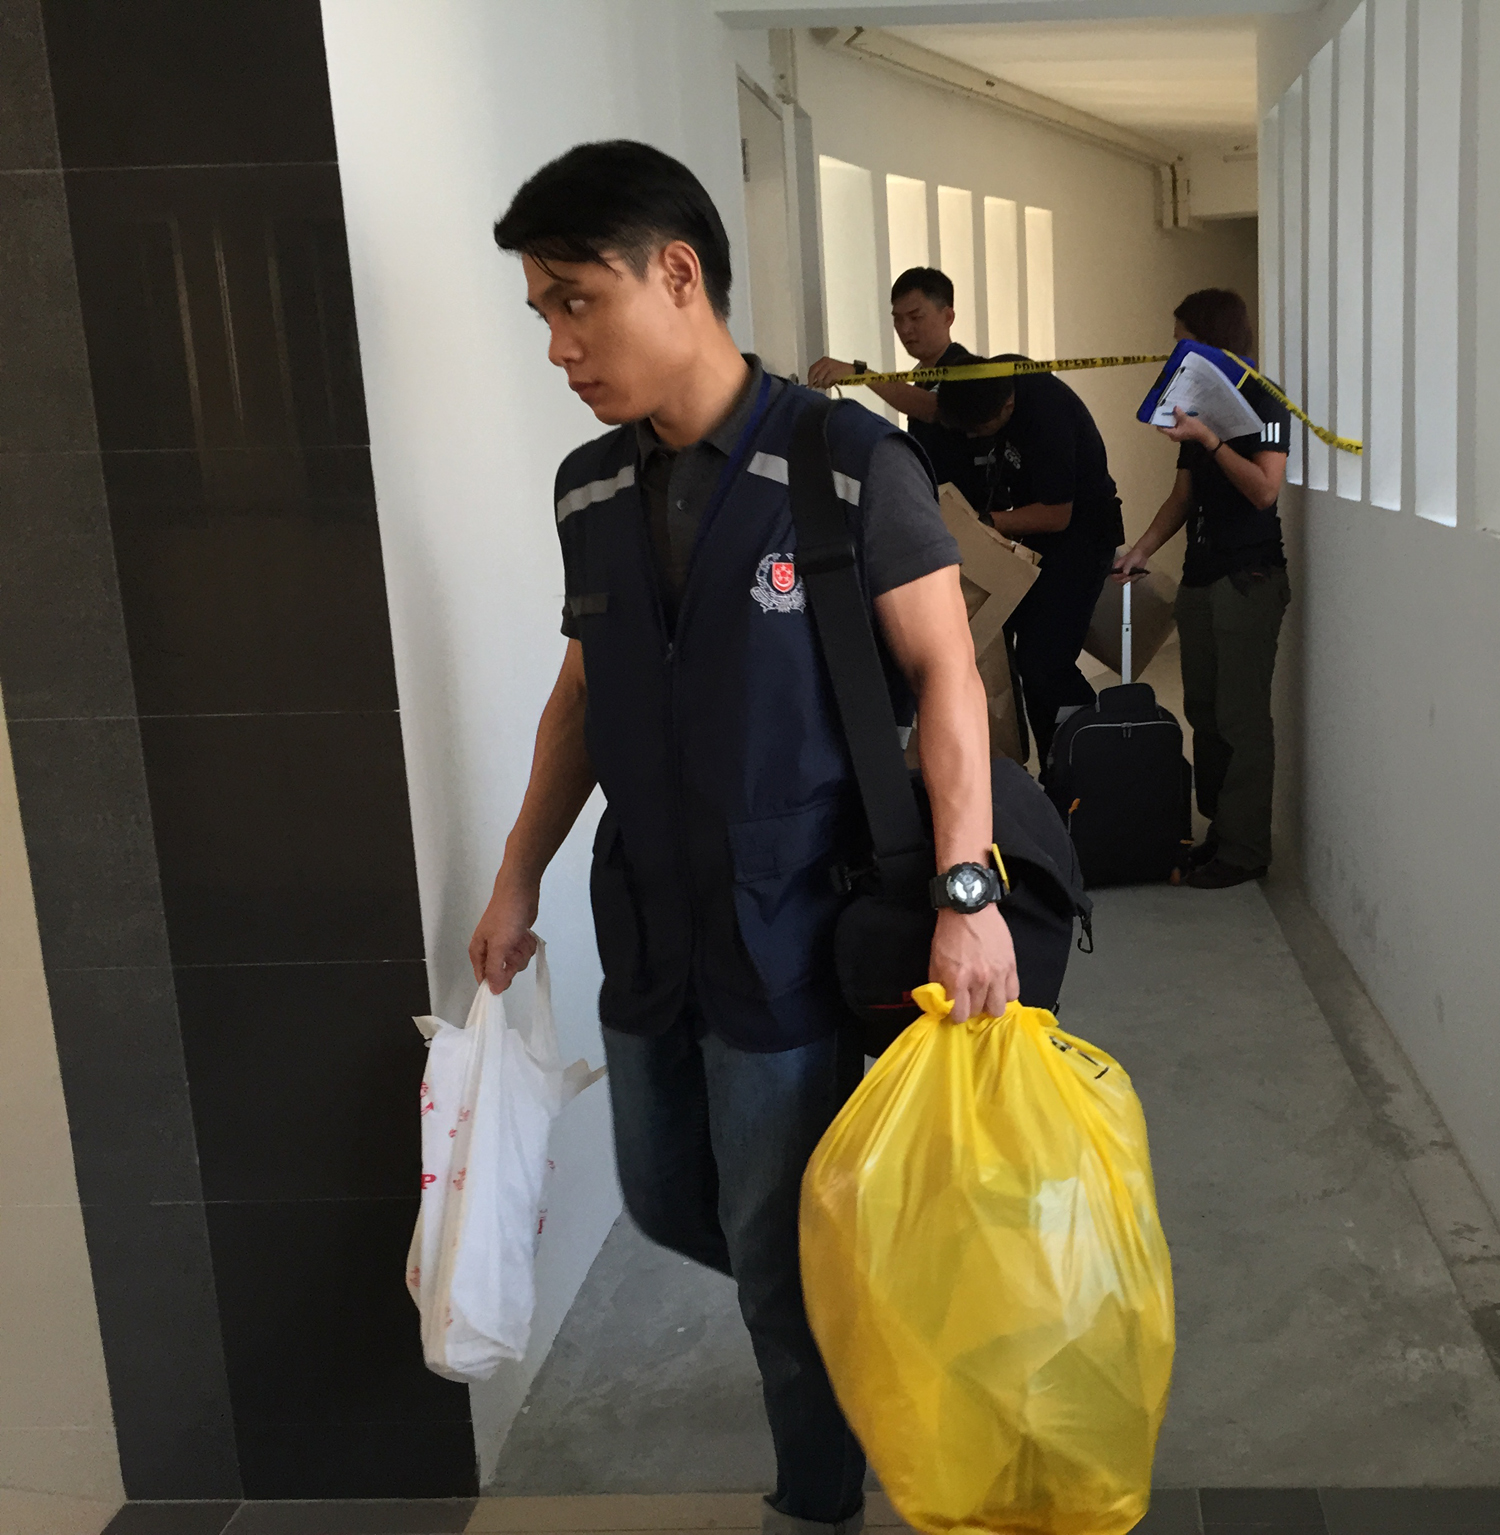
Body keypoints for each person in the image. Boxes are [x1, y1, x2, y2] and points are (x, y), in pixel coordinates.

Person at [468, 141, 1019, 1535]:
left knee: (778, 1253)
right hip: (650, 923)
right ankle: (846, 1325)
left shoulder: (845, 465)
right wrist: (517, 871)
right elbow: (585, 692)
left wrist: (968, 889)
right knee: (666, 1196)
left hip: (797, 924)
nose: (558, 345)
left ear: (677, 273)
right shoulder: (589, 488)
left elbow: (950, 675)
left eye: (575, 301)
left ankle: (817, 1493)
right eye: (539, 311)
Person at [1111, 289, 1289, 889]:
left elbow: (1266, 491)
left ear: (1211, 340)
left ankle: (1245, 851)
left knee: (1241, 718)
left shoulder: (1265, 399)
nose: (1175, 351)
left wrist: (1212, 440)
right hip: (1201, 576)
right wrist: (1139, 552)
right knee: (1203, 711)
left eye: (1183, 337)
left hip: (1249, 577)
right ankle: (1220, 832)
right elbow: (1183, 498)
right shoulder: (1194, 407)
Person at [936, 360, 1123, 768]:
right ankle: (1058, 768)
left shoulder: (1046, 417)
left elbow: (1057, 514)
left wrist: (983, 523)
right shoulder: (991, 379)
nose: (972, 438)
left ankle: (1094, 763)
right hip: (1038, 543)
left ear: (1005, 408)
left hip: (1081, 540)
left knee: (1045, 663)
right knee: (1030, 664)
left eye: (978, 430)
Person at [807, 267, 977, 494]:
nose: (905, 329)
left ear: (948, 317)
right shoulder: (921, 375)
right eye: (898, 319)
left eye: (916, 317)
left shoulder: (966, 369)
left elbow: (932, 407)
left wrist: (860, 374)